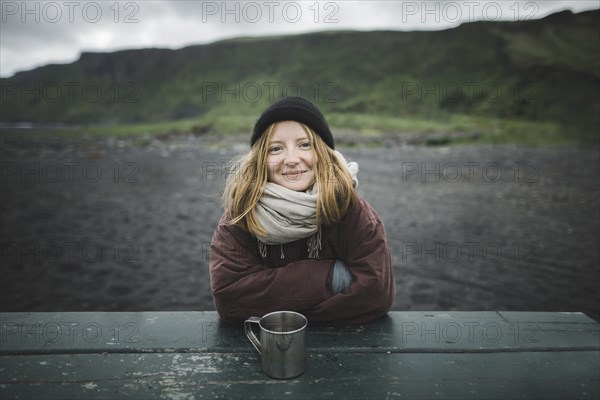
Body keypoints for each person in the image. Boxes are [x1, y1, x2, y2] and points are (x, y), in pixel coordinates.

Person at [209, 96, 396, 325]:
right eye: (275, 149)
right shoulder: (240, 213)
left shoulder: (353, 211)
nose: (291, 159)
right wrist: (334, 278)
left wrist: (280, 313)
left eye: (304, 145)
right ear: (260, 160)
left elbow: (375, 295)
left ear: (322, 153)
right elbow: (230, 298)